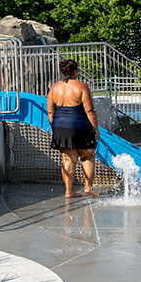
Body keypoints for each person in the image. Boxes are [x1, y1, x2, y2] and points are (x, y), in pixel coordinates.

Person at [47, 59, 98, 198]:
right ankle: (88, 187)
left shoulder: (54, 88)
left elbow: (50, 112)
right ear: (75, 71)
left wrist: (54, 129)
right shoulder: (81, 86)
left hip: (60, 126)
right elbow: (90, 110)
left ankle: (69, 191)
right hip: (80, 125)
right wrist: (96, 128)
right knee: (87, 156)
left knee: (68, 160)